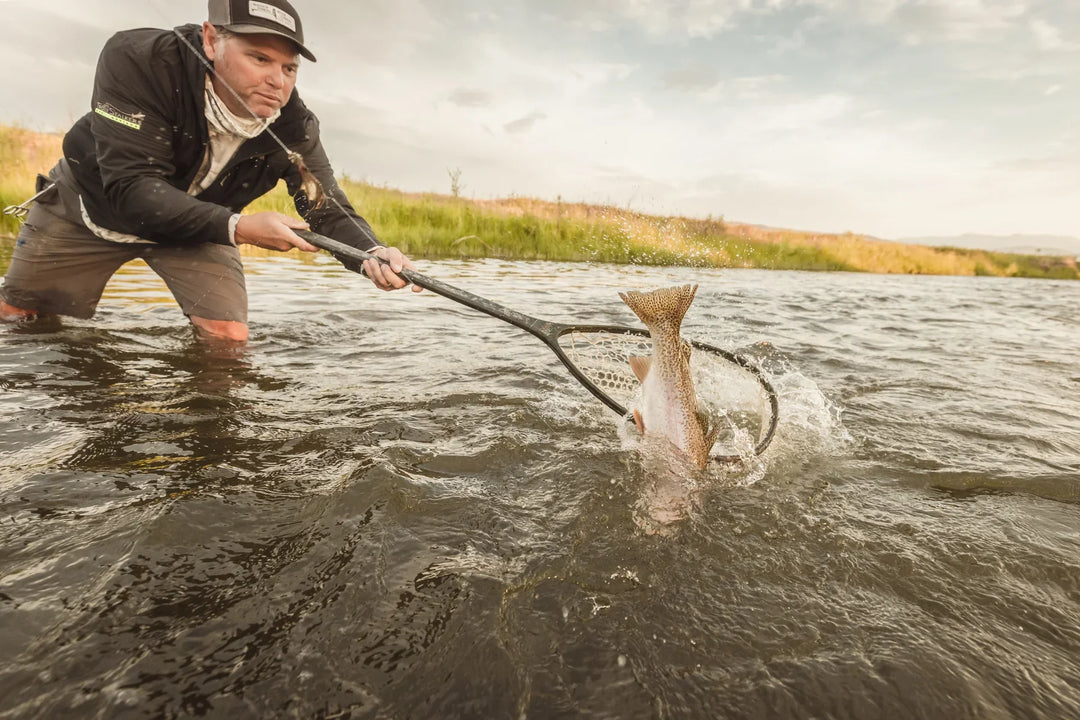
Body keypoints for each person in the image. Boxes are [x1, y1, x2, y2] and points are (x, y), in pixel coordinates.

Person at [0, 0, 420, 342]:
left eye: (289, 68)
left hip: (202, 225)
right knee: (17, 316)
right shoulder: (138, 60)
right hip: (90, 206)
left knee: (229, 339)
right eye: (259, 58)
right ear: (211, 39)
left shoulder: (294, 125)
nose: (278, 81)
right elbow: (130, 189)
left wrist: (371, 254)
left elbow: (325, 207)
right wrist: (240, 227)